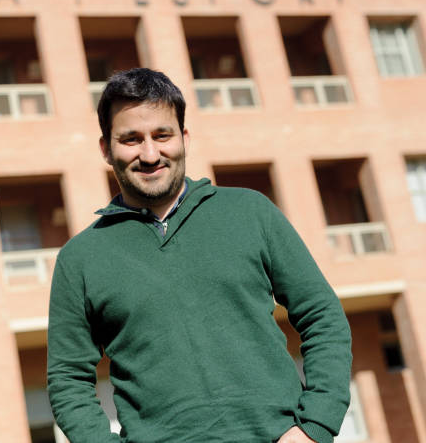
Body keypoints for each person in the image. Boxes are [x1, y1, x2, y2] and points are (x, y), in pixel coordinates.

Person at [46, 68, 352, 443]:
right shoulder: (80, 258)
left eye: (162, 135)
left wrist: (315, 427)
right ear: (106, 149)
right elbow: (67, 379)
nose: (150, 153)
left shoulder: (250, 212)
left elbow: (322, 316)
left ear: (184, 138)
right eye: (130, 139)